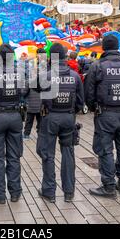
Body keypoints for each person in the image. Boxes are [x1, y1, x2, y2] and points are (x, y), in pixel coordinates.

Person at [85, 35, 120, 198]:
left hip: (105, 113)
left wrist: (94, 107)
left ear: (104, 48)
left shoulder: (98, 66)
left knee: (105, 149)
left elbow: (89, 92)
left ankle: (108, 185)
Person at [37, 43, 84, 203]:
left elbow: (36, 90)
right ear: (65, 57)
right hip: (68, 118)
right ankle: (69, 192)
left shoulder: (45, 76)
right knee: (68, 153)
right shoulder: (75, 76)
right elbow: (80, 102)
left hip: (50, 117)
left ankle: (49, 191)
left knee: (47, 154)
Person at [0, 44, 26, 204]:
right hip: (15, 116)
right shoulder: (20, 72)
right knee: (14, 156)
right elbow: (25, 91)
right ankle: (15, 193)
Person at [23, 49, 46, 140]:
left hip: (31, 105)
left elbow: (24, 92)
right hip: (41, 104)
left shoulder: (29, 81)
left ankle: (26, 135)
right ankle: (40, 134)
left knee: (29, 121)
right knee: (40, 120)